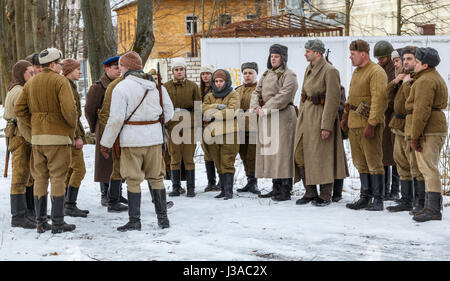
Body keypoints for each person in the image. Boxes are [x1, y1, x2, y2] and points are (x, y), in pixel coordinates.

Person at [100, 51, 174, 231]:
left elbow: (116, 119)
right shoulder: (157, 86)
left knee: (133, 180)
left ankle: (135, 221)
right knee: (156, 178)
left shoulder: (121, 87)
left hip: (131, 140)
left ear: (125, 67)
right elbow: (169, 112)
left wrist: (106, 143)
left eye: (121, 66)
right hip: (155, 139)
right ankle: (163, 219)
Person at [15, 48, 77, 234]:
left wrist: (34, 126)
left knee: (40, 178)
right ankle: (58, 223)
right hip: (58, 137)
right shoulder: (61, 81)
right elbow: (69, 111)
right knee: (58, 177)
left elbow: (20, 109)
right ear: (52, 64)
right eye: (59, 63)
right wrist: (70, 128)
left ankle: (41, 222)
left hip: (38, 139)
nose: (60, 66)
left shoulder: (31, 83)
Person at [294, 39, 348, 207]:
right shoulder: (308, 69)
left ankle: (325, 194)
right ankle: (310, 192)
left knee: (322, 156)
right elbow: (303, 94)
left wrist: (326, 125)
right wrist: (301, 114)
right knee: (301, 153)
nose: (305, 53)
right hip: (306, 115)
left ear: (317, 52)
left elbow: (333, 100)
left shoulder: (330, 71)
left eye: (308, 51)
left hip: (321, 115)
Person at [342, 40, 388, 211]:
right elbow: (352, 97)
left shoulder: (376, 72)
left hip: (368, 125)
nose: (350, 57)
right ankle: (365, 197)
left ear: (363, 54)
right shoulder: (357, 72)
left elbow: (379, 100)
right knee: (360, 162)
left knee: (373, 161)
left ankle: (378, 199)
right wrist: (346, 115)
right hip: (355, 123)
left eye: (353, 54)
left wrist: (372, 124)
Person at [250, 44, 298, 201]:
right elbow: (256, 92)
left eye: (276, 56)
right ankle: (275, 187)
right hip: (268, 117)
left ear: (283, 58)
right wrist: (256, 106)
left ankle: (285, 189)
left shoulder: (289, 75)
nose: (274, 59)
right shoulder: (266, 74)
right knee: (272, 152)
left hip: (284, 117)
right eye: (272, 56)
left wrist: (266, 108)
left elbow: (284, 95)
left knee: (283, 154)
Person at [405, 47, 447, 222]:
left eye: (417, 61)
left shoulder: (425, 81)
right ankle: (430, 207)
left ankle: (433, 209)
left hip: (429, 130)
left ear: (425, 64)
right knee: (427, 168)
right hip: (433, 127)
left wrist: (415, 136)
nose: (414, 64)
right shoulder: (431, 77)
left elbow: (421, 111)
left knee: (429, 169)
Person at [386, 46, 423, 213]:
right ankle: (406, 199)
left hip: (409, 124)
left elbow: (412, 101)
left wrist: (407, 83)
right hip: (397, 124)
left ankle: (418, 200)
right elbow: (386, 95)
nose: (403, 63)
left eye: (408, 59)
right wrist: (396, 82)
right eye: (402, 60)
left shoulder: (417, 78)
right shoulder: (401, 77)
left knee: (413, 165)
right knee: (401, 163)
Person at [85, 56, 121, 207]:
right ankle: (105, 194)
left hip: (118, 126)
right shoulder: (98, 87)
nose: (119, 71)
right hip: (104, 126)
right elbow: (89, 110)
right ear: (107, 69)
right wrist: (95, 127)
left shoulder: (122, 84)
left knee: (118, 159)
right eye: (115, 68)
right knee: (105, 162)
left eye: (120, 68)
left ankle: (117, 193)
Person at [4, 60, 36, 229]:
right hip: (20, 137)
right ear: (21, 74)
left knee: (28, 176)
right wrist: (31, 138)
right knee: (20, 176)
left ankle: (27, 212)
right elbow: (22, 119)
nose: (33, 75)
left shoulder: (19, 89)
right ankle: (18, 216)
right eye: (30, 72)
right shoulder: (18, 91)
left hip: (21, 136)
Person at [164, 58, 202, 197]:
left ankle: (191, 188)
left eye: (181, 69)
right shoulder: (165, 87)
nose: (179, 72)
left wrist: (197, 126)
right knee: (175, 157)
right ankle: (176, 187)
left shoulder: (193, 86)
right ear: (173, 71)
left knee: (188, 158)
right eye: (176, 69)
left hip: (189, 126)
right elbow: (162, 106)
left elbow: (198, 107)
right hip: (172, 126)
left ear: (185, 71)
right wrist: (166, 123)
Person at [202, 69, 240, 200]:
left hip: (230, 132)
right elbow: (203, 108)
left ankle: (229, 191)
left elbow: (232, 111)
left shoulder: (233, 94)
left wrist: (213, 115)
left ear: (226, 81)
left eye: (221, 81)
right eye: (216, 81)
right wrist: (218, 106)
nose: (218, 84)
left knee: (227, 161)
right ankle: (223, 190)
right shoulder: (209, 95)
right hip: (213, 133)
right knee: (218, 161)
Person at [61, 59, 90, 218]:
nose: (80, 72)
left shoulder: (70, 85)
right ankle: (69, 204)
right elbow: (70, 115)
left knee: (70, 170)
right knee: (79, 169)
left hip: (70, 133)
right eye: (77, 69)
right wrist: (76, 137)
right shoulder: (67, 86)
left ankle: (66, 203)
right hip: (71, 134)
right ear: (69, 71)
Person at [374, 40, 400, 201]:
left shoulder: (394, 70)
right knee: (383, 154)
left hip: (392, 116)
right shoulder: (380, 69)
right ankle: (384, 188)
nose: (379, 61)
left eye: (382, 58)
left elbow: (391, 93)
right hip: (383, 117)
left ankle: (395, 190)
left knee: (395, 156)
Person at [236, 62, 260, 195]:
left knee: (252, 155)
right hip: (240, 127)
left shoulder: (259, 89)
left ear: (255, 74)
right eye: (245, 73)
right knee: (243, 154)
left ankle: (254, 182)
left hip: (253, 126)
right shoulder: (238, 90)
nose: (247, 75)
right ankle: (248, 180)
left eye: (250, 73)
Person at [200, 64, 221, 192]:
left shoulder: (217, 90)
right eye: (203, 74)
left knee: (217, 152)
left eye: (208, 73)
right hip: (203, 125)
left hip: (215, 124)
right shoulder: (198, 90)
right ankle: (211, 181)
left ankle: (221, 180)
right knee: (207, 153)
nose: (205, 76)